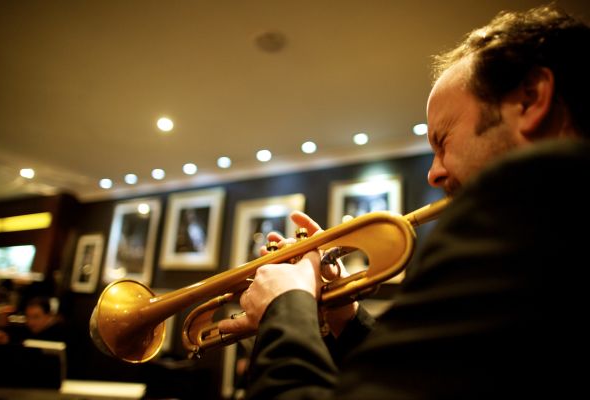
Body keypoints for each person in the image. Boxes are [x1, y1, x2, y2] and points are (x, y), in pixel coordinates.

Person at [218, 4, 589, 399]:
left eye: (442, 141)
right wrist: (343, 315)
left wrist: (285, 308)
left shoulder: (519, 222)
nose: (434, 173)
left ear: (530, 99)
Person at [0, 296, 67, 344]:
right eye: (28, 317)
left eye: (36, 317)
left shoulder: (62, 335)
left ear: (49, 316)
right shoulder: (26, 330)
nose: (30, 322)